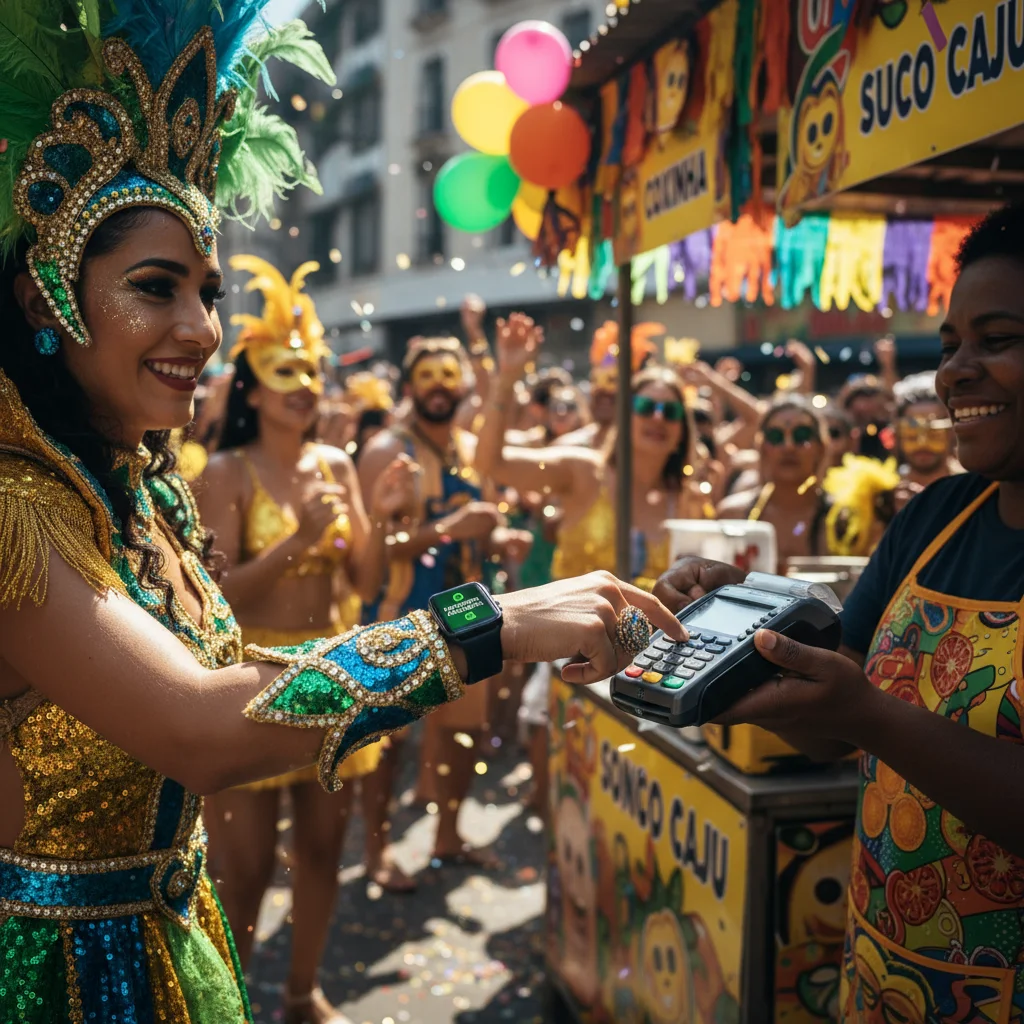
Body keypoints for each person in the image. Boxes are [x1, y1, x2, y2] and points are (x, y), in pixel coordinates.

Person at [0, 6, 687, 1019]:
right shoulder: (16, 512)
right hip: (62, 978)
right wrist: (485, 625)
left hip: (172, 943)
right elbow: (200, 727)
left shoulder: (137, 486)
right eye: (155, 288)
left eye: (207, 288)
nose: (199, 326)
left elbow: (223, 671)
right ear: (42, 299)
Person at [659, 202, 1024, 1022]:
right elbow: (830, 726)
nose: (955, 371)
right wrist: (744, 648)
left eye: (997, 340)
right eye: (952, 344)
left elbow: (860, 713)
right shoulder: (938, 517)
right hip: (882, 979)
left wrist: (873, 716)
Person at [195, 256, 417, 1021]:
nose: (305, 385)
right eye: (284, 372)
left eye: (313, 371)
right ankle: (229, 1000)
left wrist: (384, 516)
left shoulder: (335, 463)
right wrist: (299, 540)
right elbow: (214, 597)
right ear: (251, 388)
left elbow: (361, 579)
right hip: (251, 672)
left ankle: (302, 991)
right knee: (245, 867)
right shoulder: (224, 471)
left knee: (325, 848)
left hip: (332, 661)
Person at [357, 335, 507, 867]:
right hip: (398, 613)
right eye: (427, 376)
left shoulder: (467, 449)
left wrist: (495, 538)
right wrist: (446, 528)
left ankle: (448, 834)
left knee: (467, 732)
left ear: (464, 384)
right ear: (408, 385)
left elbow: (477, 529)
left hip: (466, 613)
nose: (439, 386)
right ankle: (377, 850)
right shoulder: (384, 451)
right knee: (388, 738)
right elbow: (368, 547)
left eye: (449, 374)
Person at [717, 394, 830, 572]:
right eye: (776, 436)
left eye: (801, 436)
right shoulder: (732, 515)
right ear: (761, 449)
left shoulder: (842, 519)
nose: (788, 446)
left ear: (820, 448)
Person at [556, 320, 661, 451]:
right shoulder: (568, 449)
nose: (603, 391)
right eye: (596, 380)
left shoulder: (650, 450)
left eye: (614, 380)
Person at [891, 370, 959, 510]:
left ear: (951, 431)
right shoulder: (882, 495)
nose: (922, 443)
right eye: (912, 434)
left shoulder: (974, 488)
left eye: (933, 433)